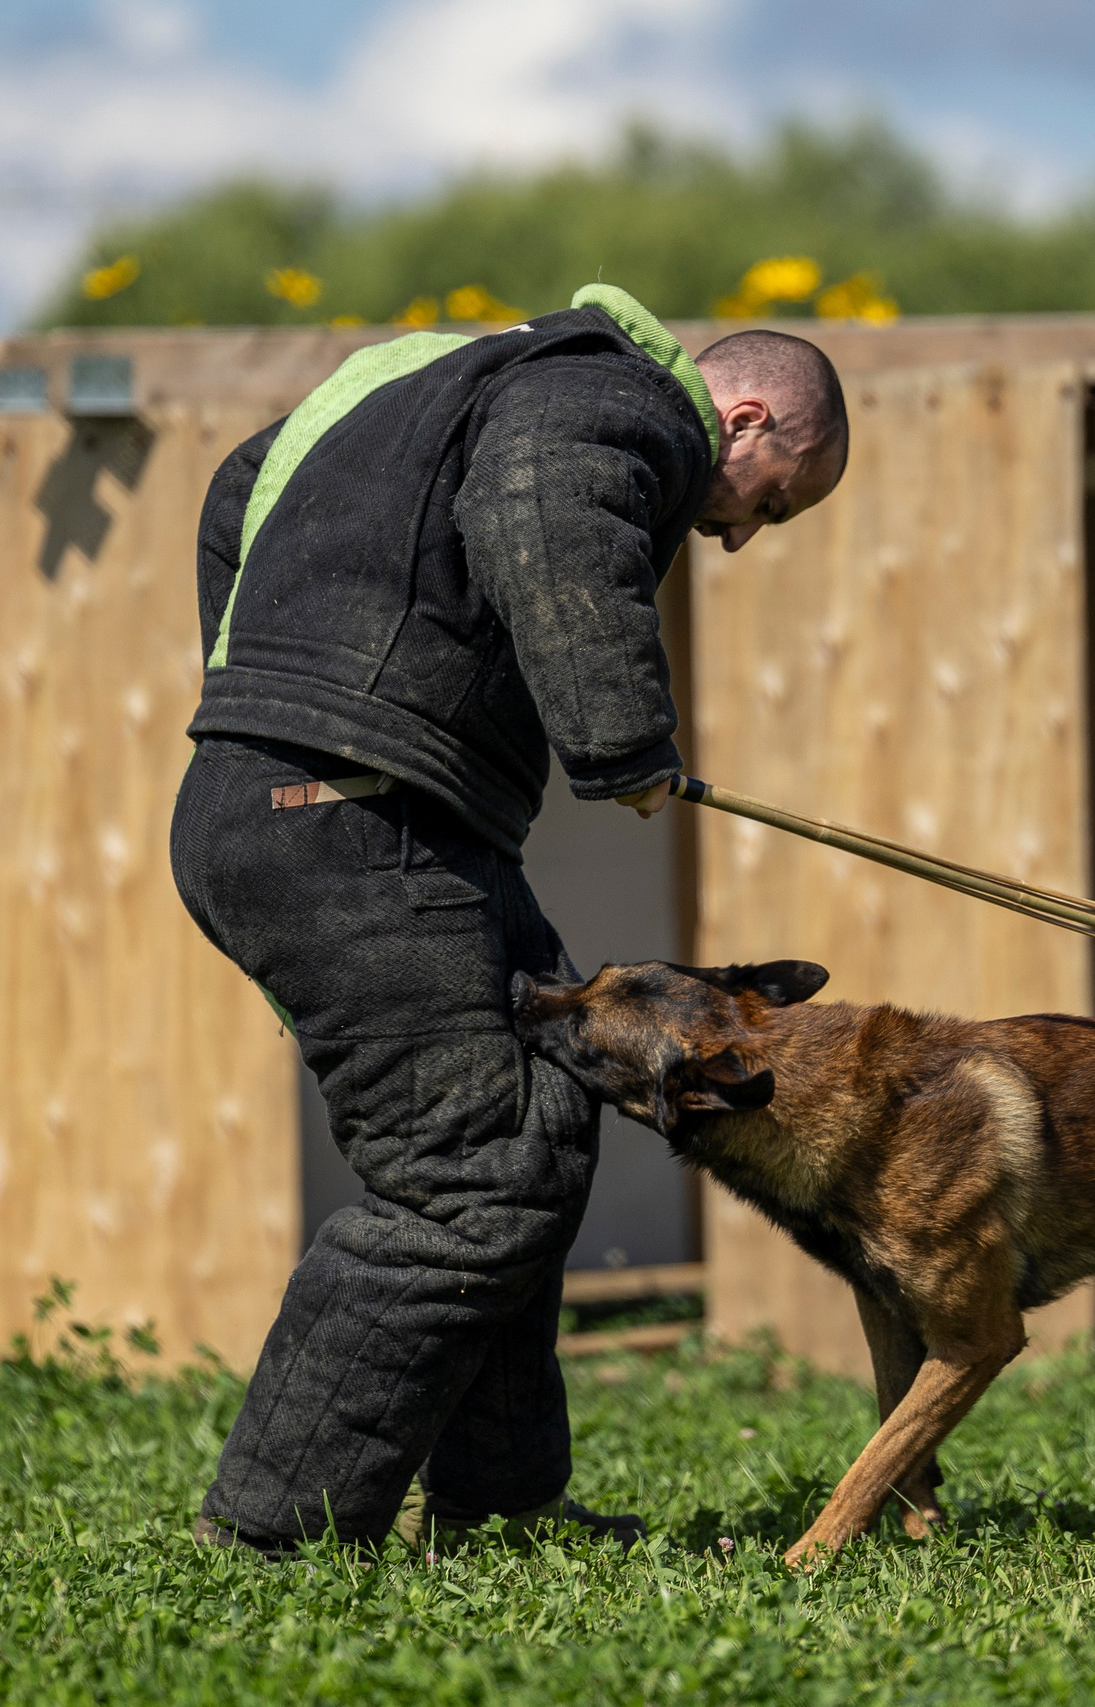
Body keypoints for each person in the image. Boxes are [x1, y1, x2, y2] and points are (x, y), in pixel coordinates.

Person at [170, 285, 848, 1556]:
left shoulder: (454, 373)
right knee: (472, 1177)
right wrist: (622, 741)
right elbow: (541, 494)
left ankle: (504, 1501)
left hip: (333, 804)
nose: (744, 534)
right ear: (744, 419)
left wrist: (253, 683)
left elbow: (242, 485)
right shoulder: (610, 401)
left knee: (542, 1118)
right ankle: (269, 1539)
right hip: (347, 816)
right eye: (770, 503)